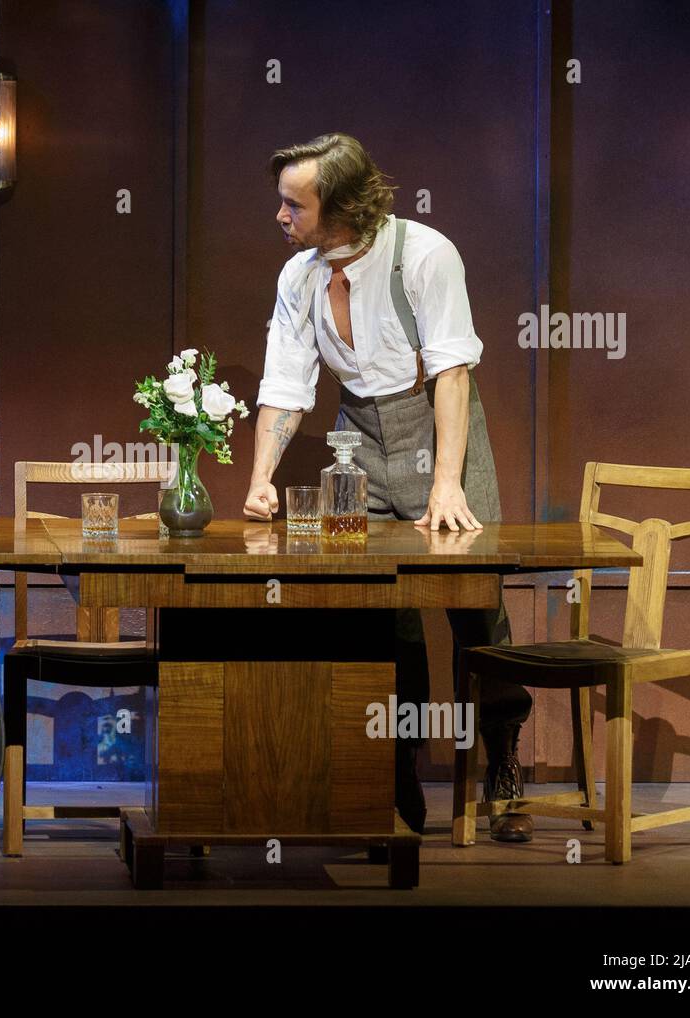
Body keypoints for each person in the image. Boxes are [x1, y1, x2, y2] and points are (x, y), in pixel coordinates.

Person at [242, 134, 533, 842]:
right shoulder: (300, 278)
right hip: (358, 439)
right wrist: (259, 480)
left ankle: (503, 763)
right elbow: (285, 386)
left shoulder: (425, 254)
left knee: (476, 606)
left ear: (340, 206)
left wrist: (444, 484)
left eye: (293, 204)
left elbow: (452, 373)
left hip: (436, 423)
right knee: (376, 610)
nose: (280, 216)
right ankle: (394, 777)